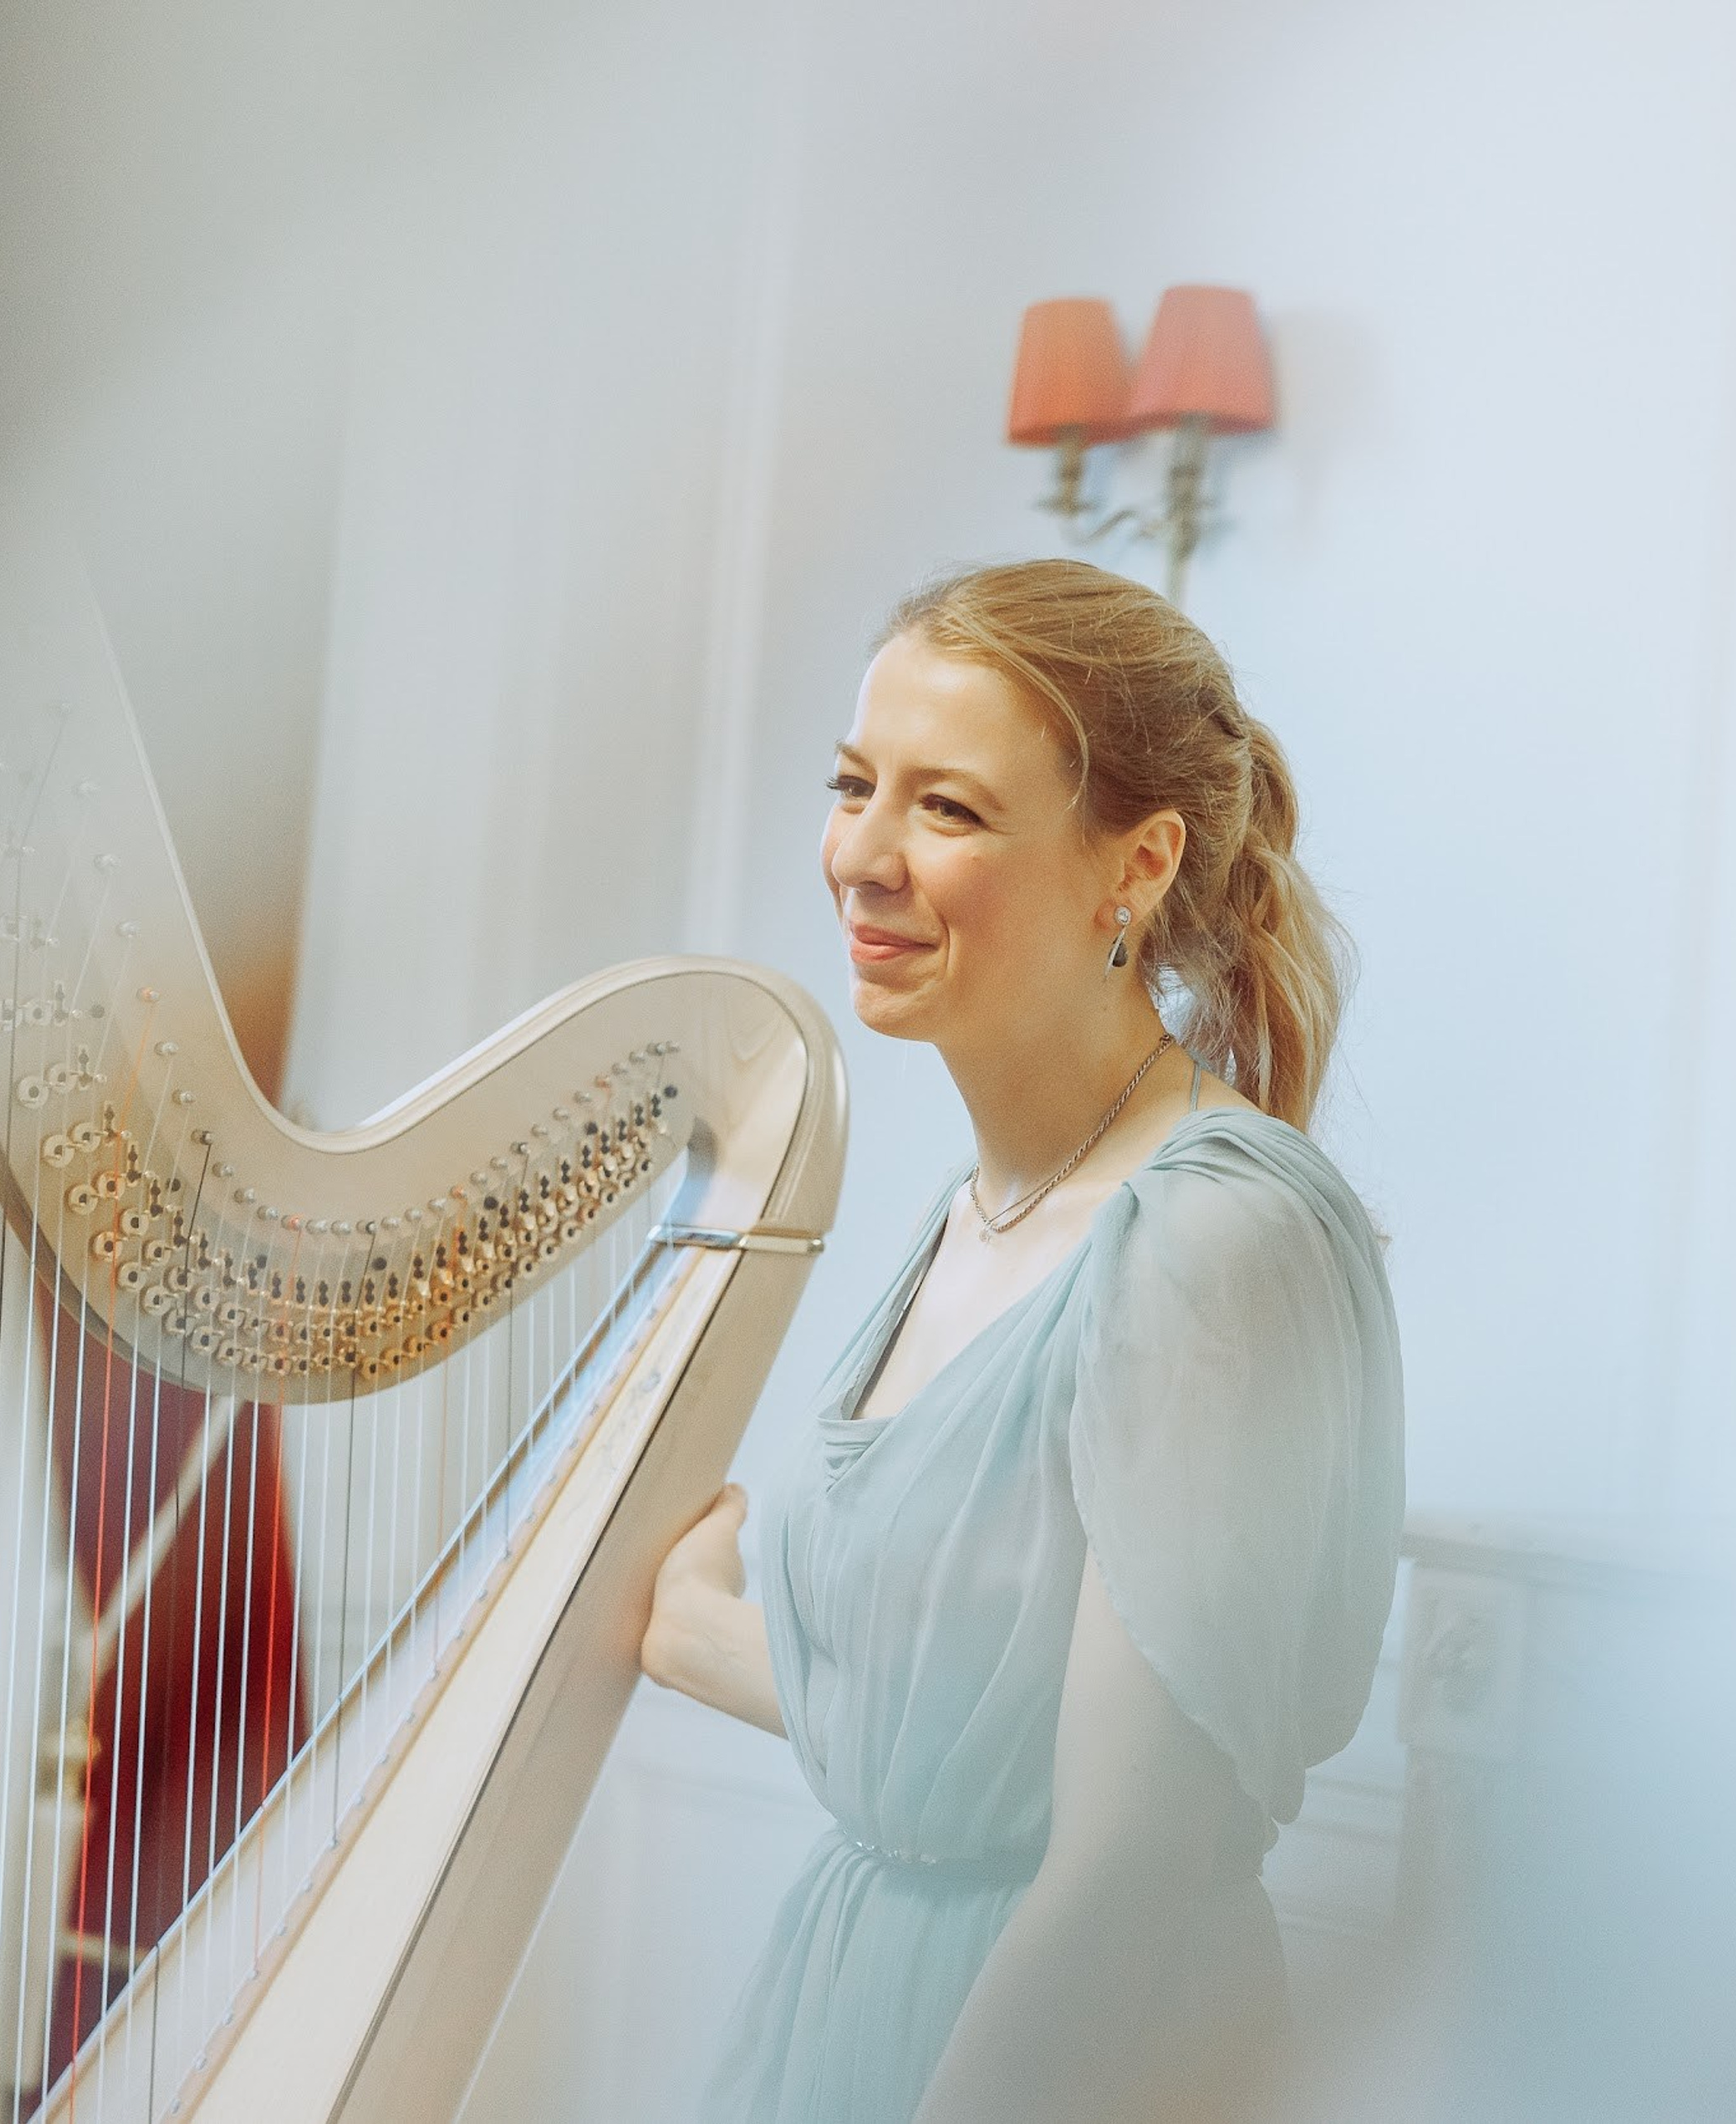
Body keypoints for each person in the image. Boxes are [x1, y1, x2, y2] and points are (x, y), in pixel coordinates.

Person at [640, 558, 1405, 2124]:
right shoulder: (975, 1210)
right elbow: (982, 1720)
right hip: (857, 2006)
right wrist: (690, 1627)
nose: (861, 855)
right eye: (857, 785)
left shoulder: (1212, 1236)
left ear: (1135, 867)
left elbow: (1126, 1866)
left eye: (951, 811)